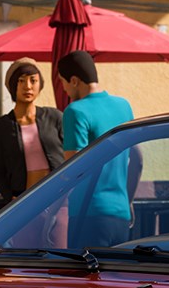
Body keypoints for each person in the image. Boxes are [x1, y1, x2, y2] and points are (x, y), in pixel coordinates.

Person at [58, 51, 140, 248]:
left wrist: (51, 211)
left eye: (63, 82)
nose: (64, 89)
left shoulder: (75, 111)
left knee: (83, 269)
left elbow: (73, 169)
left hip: (87, 214)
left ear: (74, 81)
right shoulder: (123, 106)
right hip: (120, 215)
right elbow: (138, 159)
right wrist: (127, 201)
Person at [0, 58, 64, 203]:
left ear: (40, 84)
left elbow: (71, 155)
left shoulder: (55, 117)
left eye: (33, 80)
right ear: (12, 85)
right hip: (23, 201)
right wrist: (10, 197)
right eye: (21, 81)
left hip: (59, 198)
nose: (28, 86)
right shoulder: (1, 127)